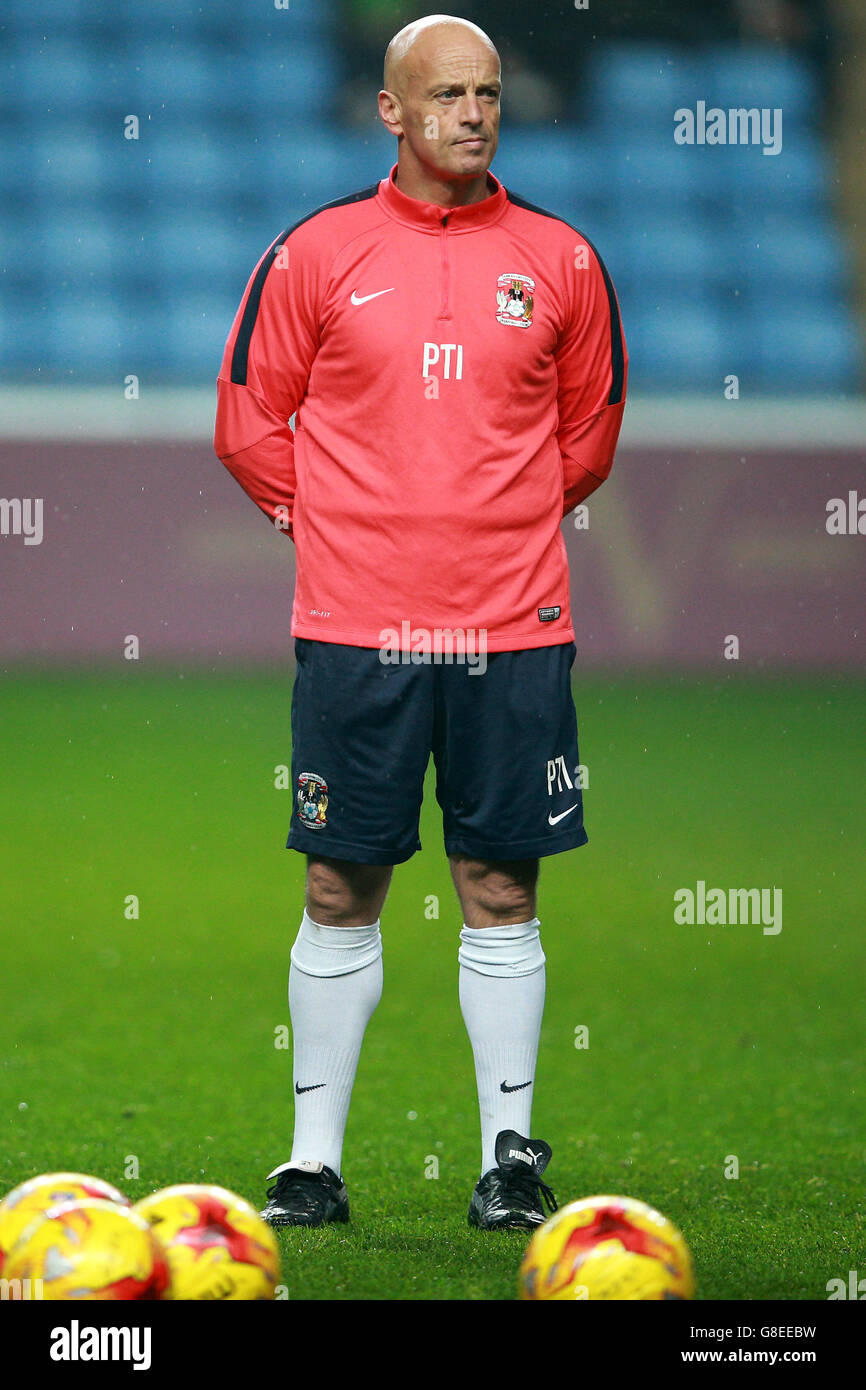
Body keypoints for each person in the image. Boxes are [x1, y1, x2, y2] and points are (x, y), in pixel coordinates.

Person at [214, 13, 627, 1230]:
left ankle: (508, 1158)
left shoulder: (559, 258)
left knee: (500, 883)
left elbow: (587, 435)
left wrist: (482, 527)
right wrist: (347, 530)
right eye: (445, 94)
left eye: (488, 93)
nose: (473, 113)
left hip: (514, 629)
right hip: (357, 631)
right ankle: (310, 1164)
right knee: (340, 883)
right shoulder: (316, 252)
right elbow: (249, 419)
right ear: (390, 112)